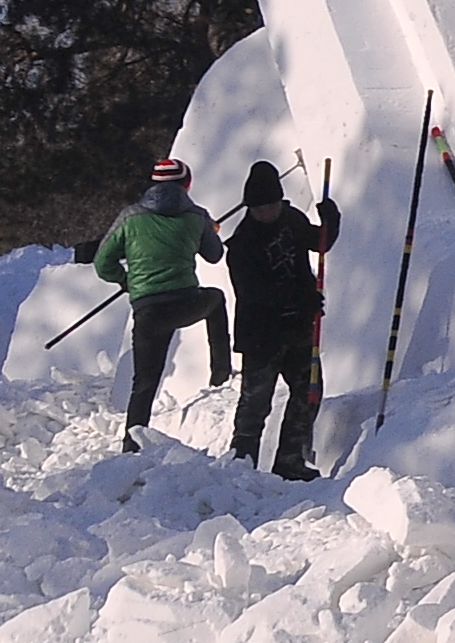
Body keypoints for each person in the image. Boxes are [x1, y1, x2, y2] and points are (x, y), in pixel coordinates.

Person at [90, 157, 232, 451]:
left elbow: (103, 263)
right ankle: (221, 374)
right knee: (215, 298)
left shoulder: (130, 217)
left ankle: (131, 444)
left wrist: (127, 280)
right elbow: (215, 255)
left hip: (148, 310)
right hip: (186, 303)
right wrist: (209, 230)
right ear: (186, 184)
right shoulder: (195, 216)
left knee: (144, 381)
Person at [223, 161, 340, 478]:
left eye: (271, 205)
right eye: (259, 208)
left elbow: (318, 243)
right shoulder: (242, 243)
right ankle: (240, 465)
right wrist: (297, 300)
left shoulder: (292, 221)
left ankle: (289, 460)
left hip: (299, 329)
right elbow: (252, 293)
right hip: (261, 335)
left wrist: (331, 222)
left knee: (309, 392)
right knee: (255, 403)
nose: (266, 213)